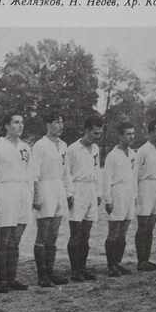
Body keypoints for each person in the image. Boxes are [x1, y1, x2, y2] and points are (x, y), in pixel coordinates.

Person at [0, 114, 33, 292]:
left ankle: (12, 277)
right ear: (6, 125)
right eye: (15, 122)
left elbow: (30, 173)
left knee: (16, 239)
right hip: (5, 193)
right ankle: (2, 280)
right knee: (4, 239)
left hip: (22, 193)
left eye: (22, 122)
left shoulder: (25, 147)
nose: (20, 125)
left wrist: (30, 195)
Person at [31, 114, 70, 287]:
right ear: (48, 124)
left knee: (54, 234)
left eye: (62, 122)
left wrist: (69, 193)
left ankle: (50, 271)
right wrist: (37, 194)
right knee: (43, 233)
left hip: (58, 187)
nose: (60, 125)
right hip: (45, 187)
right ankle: (41, 275)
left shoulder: (63, 145)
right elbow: (34, 173)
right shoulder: (40, 145)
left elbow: (66, 171)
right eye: (57, 121)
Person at [64, 117, 103, 281]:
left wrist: (98, 192)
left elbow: (97, 170)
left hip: (91, 190)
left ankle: (82, 267)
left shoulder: (95, 148)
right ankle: (74, 270)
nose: (98, 135)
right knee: (76, 233)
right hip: (77, 189)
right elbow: (66, 173)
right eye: (95, 132)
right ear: (86, 130)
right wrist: (69, 194)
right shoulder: (73, 149)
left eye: (100, 132)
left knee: (86, 233)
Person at [103, 122, 137, 277]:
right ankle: (111, 266)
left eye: (132, 134)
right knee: (114, 231)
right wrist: (108, 200)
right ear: (121, 136)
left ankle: (118, 262)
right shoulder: (112, 155)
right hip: (117, 193)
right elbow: (106, 179)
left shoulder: (133, 154)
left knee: (123, 231)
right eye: (128, 134)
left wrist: (135, 196)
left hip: (129, 194)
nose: (131, 137)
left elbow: (134, 177)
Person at [134, 120, 156, 272]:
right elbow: (135, 174)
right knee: (143, 225)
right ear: (151, 132)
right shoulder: (142, 151)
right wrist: (135, 193)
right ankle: (141, 261)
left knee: (151, 226)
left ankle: (147, 259)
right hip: (144, 187)